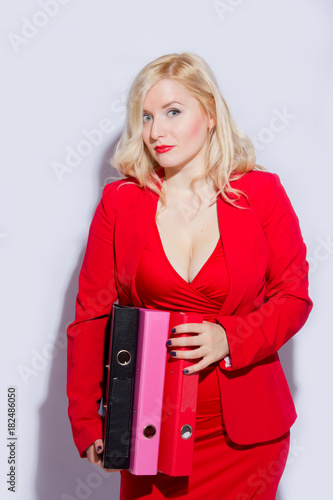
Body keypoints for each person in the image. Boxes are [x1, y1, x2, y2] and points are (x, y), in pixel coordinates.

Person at [66, 52, 313, 499]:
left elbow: (293, 297)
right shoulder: (120, 203)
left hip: (246, 440)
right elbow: (91, 318)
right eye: (145, 117)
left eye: (173, 112)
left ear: (211, 114)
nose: (156, 131)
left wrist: (230, 339)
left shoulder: (261, 193)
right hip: (148, 429)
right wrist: (88, 420)